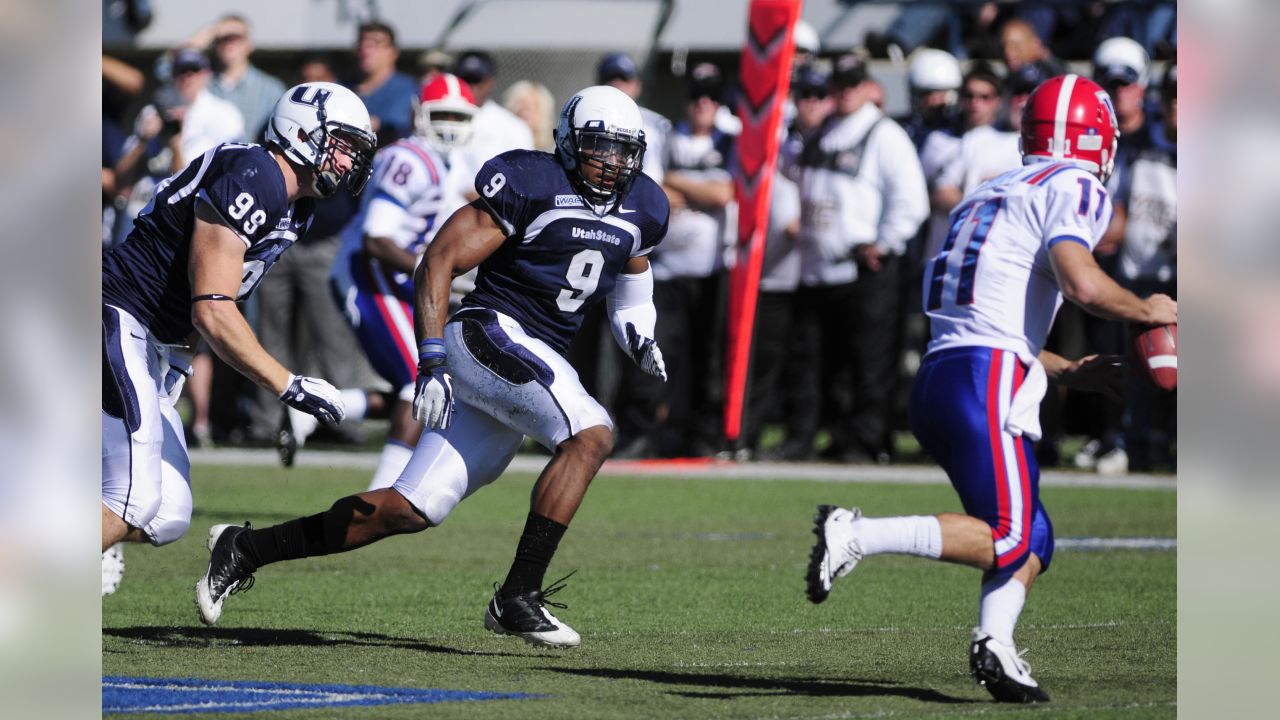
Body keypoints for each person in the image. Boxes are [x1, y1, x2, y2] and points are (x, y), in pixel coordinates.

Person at [194, 86, 671, 650]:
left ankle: (246, 548)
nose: (612, 162)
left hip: (530, 357)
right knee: (590, 434)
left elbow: (631, 277)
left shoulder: (645, 204)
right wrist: (433, 355)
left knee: (407, 509)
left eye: (623, 150)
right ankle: (518, 596)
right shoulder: (532, 182)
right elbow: (438, 261)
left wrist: (639, 330)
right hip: (487, 333)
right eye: (599, 146)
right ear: (569, 142)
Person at [805, 74, 1178, 703]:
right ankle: (856, 532)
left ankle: (995, 646)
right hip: (987, 378)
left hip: (946, 374)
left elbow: (985, 311)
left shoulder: (990, 192)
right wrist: (1149, 310)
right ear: (1091, 139)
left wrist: (1066, 370)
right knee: (1008, 536)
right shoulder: (1073, 183)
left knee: (1033, 537)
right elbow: (1082, 283)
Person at [102, 83, 376, 568]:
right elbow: (212, 307)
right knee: (132, 500)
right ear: (304, 131)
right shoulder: (257, 175)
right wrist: (287, 384)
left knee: (166, 513)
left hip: (156, 341)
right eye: (344, 145)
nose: (350, 161)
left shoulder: (298, 206)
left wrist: (175, 366)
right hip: (118, 313)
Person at [322, 73, 479, 487]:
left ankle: (311, 410)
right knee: (419, 379)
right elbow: (377, 238)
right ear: (419, 114)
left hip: (396, 279)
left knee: (427, 380)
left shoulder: (450, 160)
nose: (448, 125)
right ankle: (381, 495)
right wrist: (430, 270)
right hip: (369, 273)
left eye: (457, 116)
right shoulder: (408, 159)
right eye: (440, 114)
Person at [788, 55, 928, 463]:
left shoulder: (884, 134)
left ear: (868, 87)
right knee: (827, 362)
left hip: (867, 266)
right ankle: (837, 434)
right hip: (820, 269)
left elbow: (910, 201)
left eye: (853, 84)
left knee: (869, 362)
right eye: (840, 84)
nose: (845, 91)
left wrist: (884, 242)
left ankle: (867, 441)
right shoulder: (826, 131)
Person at [614, 63, 735, 458]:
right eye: (697, 95)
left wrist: (679, 182)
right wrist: (701, 188)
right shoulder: (662, 136)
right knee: (651, 356)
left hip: (712, 271)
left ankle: (699, 437)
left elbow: (724, 194)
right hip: (664, 270)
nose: (704, 103)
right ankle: (641, 434)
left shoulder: (732, 139)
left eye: (713, 95)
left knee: (707, 361)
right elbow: (650, 192)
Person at [201, 14, 286, 143]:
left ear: (249, 44)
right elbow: (165, 69)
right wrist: (211, 31)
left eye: (236, 37)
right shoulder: (202, 85)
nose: (229, 44)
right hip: (212, 161)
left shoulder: (271, 89)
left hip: (254, 161)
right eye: (223, 38)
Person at [453, 50, 535, 162]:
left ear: (490, 82)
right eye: (466, 80)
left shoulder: (512, 127)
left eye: (477, 80)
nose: (471, 87)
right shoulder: (440, 118)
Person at [354, 21, 419, 147]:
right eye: (362, 42)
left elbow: (393, 128)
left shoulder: (407, 89)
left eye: (376, 43)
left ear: (393, 53)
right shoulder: (344, 86)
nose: (366, 49)